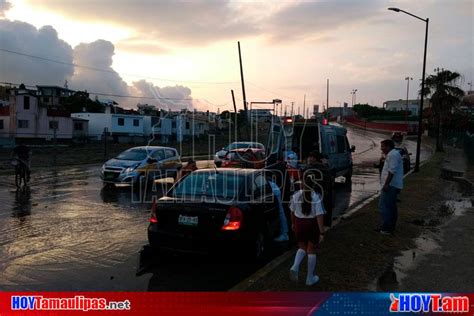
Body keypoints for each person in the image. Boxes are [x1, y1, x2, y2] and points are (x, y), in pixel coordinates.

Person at [289, 176, 326, 286]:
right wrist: (322, 232)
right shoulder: (316, 197)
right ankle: (309, 278)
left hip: (299, 223)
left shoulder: (296, 195)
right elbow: (319, 216)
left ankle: (295, 266)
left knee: (301, 247)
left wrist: (293, 223)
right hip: (311, 225)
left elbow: (291, 211)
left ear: (302, 184)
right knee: (311, 250)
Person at [378, 139, 403, 234]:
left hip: (390, 186)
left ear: (388, 146)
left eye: (383, 146)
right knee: (391, 206)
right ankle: (389, 226)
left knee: (384, 206)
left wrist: (386, 184)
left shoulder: (393, 155)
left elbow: (392, 171)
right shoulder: (393, 154)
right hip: (392, 185)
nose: (381, 149)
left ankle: (386, 228)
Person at [302, 150, 333, 226]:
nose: (309, 158)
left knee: (313, 212)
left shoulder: (311, 167)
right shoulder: (325, 167)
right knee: (323, 211)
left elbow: (302, 173)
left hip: (313, 193)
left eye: (311, 157)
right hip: (324, 193)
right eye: (309, 157)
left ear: (314, 158)